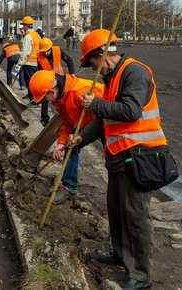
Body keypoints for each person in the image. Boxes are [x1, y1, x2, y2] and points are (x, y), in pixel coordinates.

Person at [73, 28, 167, 290]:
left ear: (102, 54)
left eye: (92, 62)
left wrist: (95, 105)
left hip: (139, 156)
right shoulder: (113, 78)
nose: (94, 69)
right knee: (116, 209)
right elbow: (105, 120)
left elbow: (131, 111)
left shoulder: (134, 72)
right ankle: (119, 253)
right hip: (119, 157)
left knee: (135, 215)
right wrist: (80, 138)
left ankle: (140, 274)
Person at [28, 70, 104, 204]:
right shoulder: (60, 98)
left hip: (107, 121)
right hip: (87, 123)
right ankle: (69, 187)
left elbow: (106, 113)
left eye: (45, 98)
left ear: (51, 92)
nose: (46, 101)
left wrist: (82, 134)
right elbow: (67, 123)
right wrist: (61, 144)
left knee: (114, 159)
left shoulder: (79, 92)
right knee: (71, 147)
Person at [36, 37, 76, 125]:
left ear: (50, 48)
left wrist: (72, 73)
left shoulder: (57, 50)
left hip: (60, 78)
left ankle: (66, 117)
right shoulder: (39, 57)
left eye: (47, 50)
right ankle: (44, 118)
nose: (45, 53)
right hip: (48, 79)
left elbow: (69, 60)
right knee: (45, 98)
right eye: (43, 51)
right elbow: (40, 70)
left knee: (63, 98)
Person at [19, 16, 41, 100]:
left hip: (28, 63)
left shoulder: (28, 37)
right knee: (33, 81)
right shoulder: (36, 35)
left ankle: (32, 97)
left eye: (23, 25)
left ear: (26, 26)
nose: (22, 27)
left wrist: (20, 63)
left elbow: (25, 52)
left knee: (29, 81)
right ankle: (30, 95)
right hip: (36, 62)